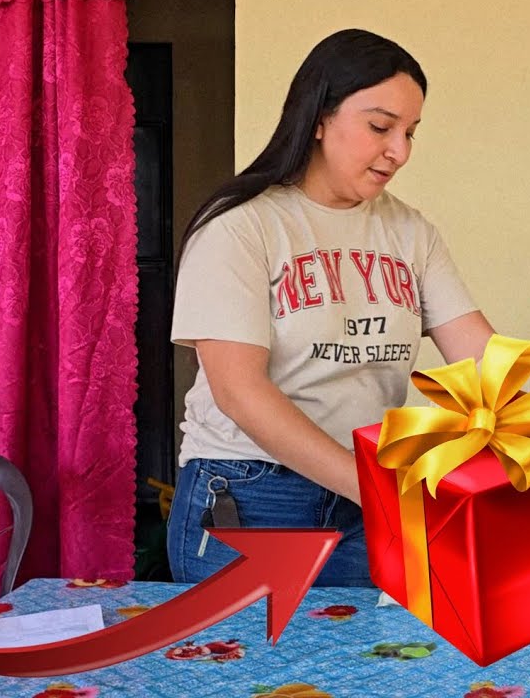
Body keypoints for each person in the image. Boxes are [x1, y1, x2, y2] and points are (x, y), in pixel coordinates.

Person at [167, 29, 495, 585]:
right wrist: (377, 489)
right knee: (251, 673)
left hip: (370, 500)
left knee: (370, 670)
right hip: (252, 499)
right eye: (380, 127)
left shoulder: (410, 232)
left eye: (411, 133)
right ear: (318, 117)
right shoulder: (241, 225)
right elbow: (241, 394)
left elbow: (486, 360)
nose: (400, 151)